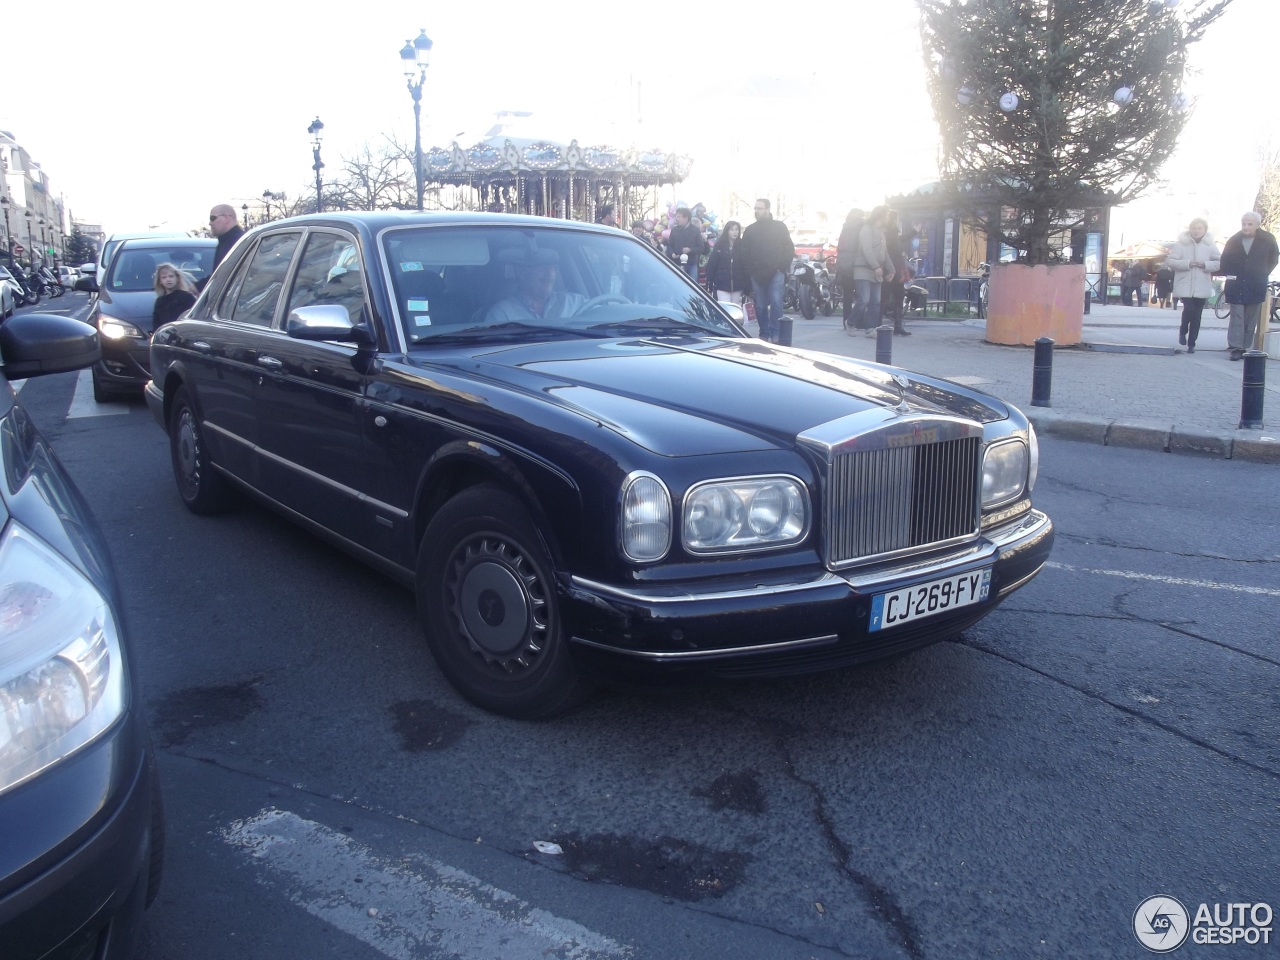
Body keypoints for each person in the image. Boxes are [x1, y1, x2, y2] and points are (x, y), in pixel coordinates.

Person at [1218, 211, 1280, 360]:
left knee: (1250, 317)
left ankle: (1244, 345)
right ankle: (1235, 347)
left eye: (1250, 224)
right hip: (1236, 283)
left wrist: (1262, 272)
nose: (1246, 227)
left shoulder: (1268, 239)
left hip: (1256, 283)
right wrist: (1230, 274)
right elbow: (1225, 260)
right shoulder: (1234, 240)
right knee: (1237, 317)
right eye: (1244, 224)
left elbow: (1274, 259)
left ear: (1257, 225)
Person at [739, 198, 795, 343]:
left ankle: (776, 333)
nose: (757, 211)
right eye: (755, 208)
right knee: (761, 305)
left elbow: (789, 248)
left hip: (776, 272)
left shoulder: (780, 227)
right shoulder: (750, 230)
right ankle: (764, 332)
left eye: (760, 208)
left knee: (776, 303)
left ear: (768, 209)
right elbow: (744, 253)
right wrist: (750, 272)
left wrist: (781, 267)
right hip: (757, 274)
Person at [1165, 218, 1220, 354]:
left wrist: (1205, 264)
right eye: (1194, 228)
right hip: (1185, 284)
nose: (1196, 231)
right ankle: (1183, 330)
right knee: (1188, 309)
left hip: (1202, 284)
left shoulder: (1210, 245)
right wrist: (1188, 263)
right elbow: (1170, 261)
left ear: (1205, 230)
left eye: (1199, 228)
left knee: (1197, 315)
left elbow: (1219, 262)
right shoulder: (1181, 245)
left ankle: (1192, 343)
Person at [485, 250, 584, 323]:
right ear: (521, 273)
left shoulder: (576, 302)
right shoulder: (503, 313)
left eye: (552, 268)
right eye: (542, 267)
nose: (549, 273)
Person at [852, 206, 896, 335]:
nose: (888, 218)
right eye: (887, 215)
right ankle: (851, 323)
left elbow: (885, 253)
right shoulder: (866, 229)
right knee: (864, 300)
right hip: (863, 270)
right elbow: (867, 250)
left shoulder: (881, 231)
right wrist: (876, 266)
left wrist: (891, 269)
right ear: (881, 215)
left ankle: (870, 329)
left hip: (876, 272)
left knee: (875, 302)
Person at [704, 220, 750, 306]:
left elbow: (745, 267)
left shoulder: (742, 246)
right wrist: (709, 285)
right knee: (725, 308)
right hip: (722, 284)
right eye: (732, 230)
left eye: (736, 229)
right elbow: (712, 266)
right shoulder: (719, 246)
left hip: (737, 285)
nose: (735, 232)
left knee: (735, 309)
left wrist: (747, 285)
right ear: (727, 231)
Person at [203, 204, 245, 290]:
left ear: (226, 218)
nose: (210, 223)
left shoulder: (239, 243)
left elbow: (223, 277)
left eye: (213, 218)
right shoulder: (226, 241)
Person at [882, 208, 910, 335]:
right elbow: (893, 250)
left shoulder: (891, 233)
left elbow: (898, 243)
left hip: (895, 269)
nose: (899, 221)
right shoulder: (889, 233)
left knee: (896, 297)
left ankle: (897, 325)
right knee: (890, 297)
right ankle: (895, 326)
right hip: (893, 270)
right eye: (898, 218)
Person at [836, 208, 864, 331]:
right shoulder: (861, 226)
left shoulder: (845, 227)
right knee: (861, 295)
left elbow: (840, 247)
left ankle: (845, 321)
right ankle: (857, 321)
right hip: (855, 264)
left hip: (843, 265)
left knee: (846, 296)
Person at [152, 263, 198, 331]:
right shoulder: (160, 301)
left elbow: (195, 317)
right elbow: (156, 322)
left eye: (171, 276)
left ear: (177, 278)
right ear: (160, 281)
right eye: (164, 277)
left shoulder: (187, 297)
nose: (168, 280)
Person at [666, 207, 705, 283]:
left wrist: (690, 250)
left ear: (686, 217)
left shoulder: (695, 230)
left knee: (693, 286)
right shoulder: (674, 230)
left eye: (679, 216)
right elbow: (669, 245)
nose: (677, 219)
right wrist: (672, 253)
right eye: (676, 216)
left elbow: (701, 248)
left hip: (691, 264)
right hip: (677, 264)